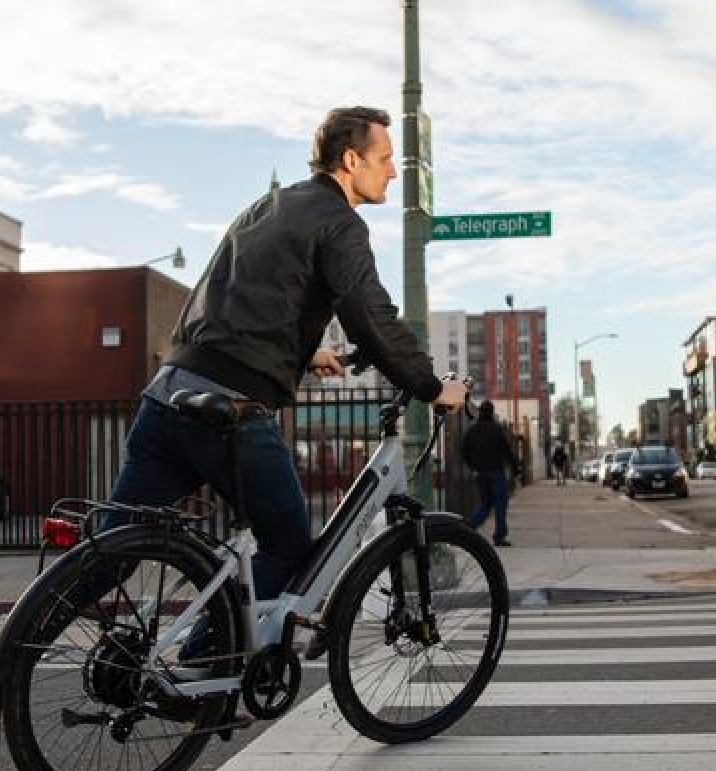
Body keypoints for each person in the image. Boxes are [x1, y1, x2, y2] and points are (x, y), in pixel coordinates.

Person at [109, 106, 468, 599]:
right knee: (289, 545)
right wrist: (430, 386)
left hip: (170, 391)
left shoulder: (267, 204)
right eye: (384, 158)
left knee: (109, 550)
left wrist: (303, 350)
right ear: (350, 160)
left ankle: (6, 662)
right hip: (229, 410)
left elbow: (234, 294)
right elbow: (371, 317)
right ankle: (205, 656)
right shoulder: (341, 223)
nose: (390, 171)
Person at [462, 400, 520, 546]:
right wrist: (516, 469)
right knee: (500, 505)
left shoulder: (472, 431)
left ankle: (468, 530)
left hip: (480, 473)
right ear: (492, 413)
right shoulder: (497, 430)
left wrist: (473, 466)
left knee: (485, 505)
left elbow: (465, 452)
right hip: (496, 472)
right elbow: (507, 451)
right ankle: (499, 537)